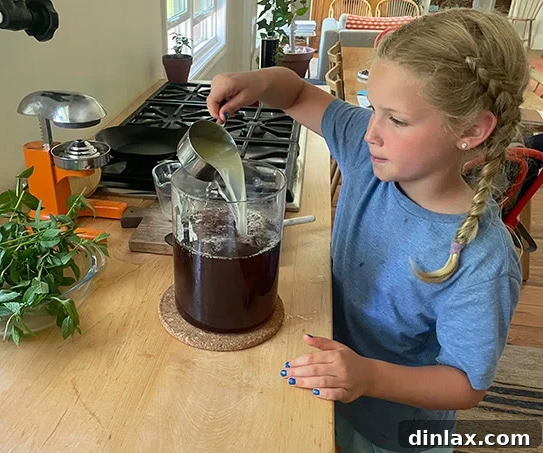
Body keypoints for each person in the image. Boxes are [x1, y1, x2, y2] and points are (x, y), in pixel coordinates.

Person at [206, 8, 527, 453]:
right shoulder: (370, 154)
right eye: (371, 108)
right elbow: (297, 92)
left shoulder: (481, 260)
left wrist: (368, 376)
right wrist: (258, 82)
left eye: (396, 119)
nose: (371, 132)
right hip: (333, 386)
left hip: (396, 433)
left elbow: (465, 383)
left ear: (471, 130)